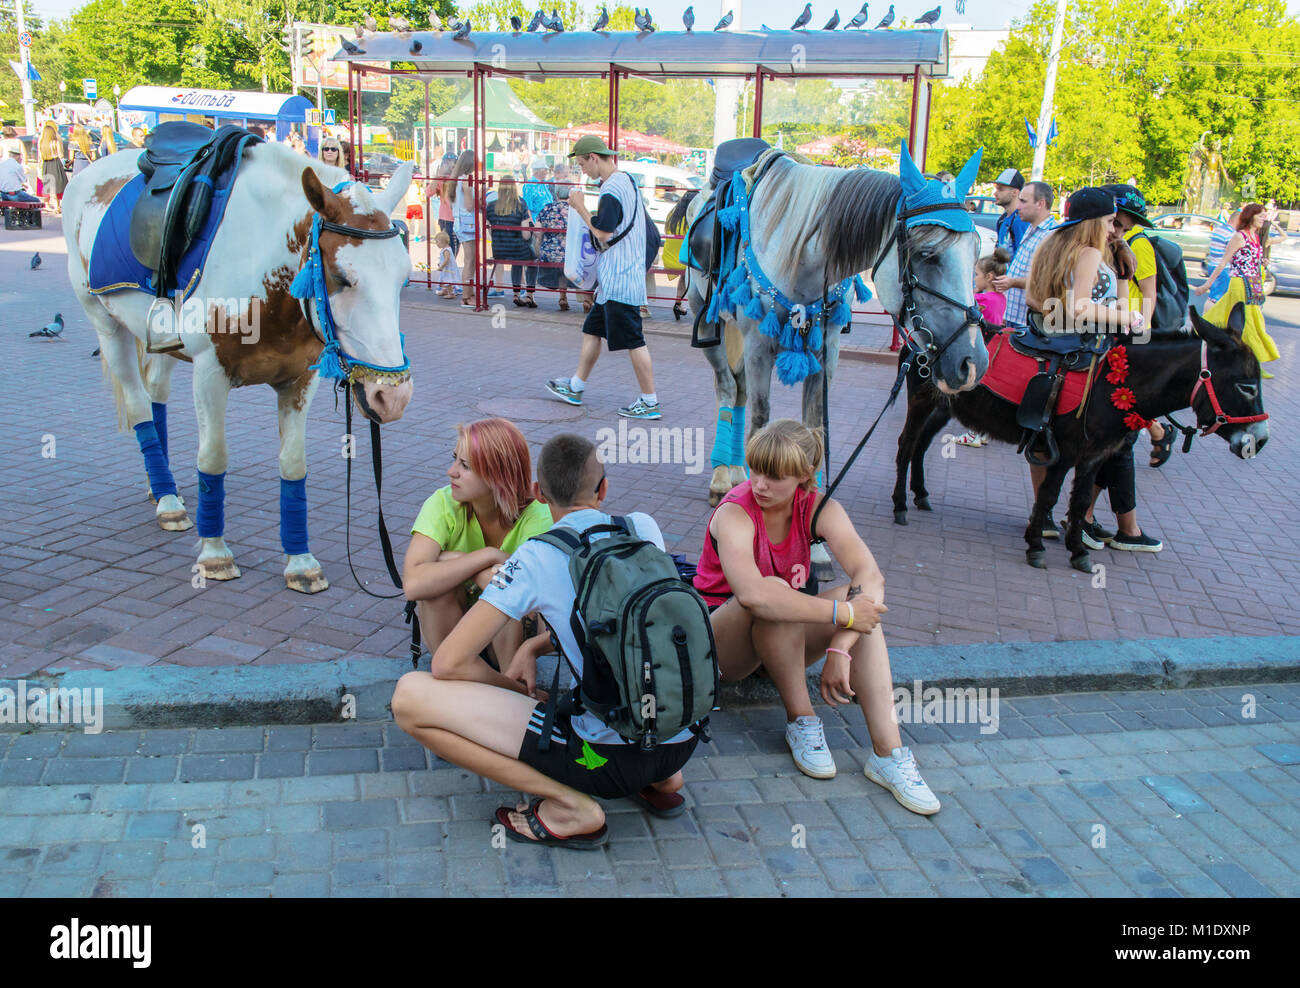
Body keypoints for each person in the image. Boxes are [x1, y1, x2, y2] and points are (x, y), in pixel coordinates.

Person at [390, 433, 702, 847]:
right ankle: (659, 777)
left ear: (538, 492)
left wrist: (521, 695)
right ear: (604, 488)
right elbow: (620, 630)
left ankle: (569, 805)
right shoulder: (642, 527)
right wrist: (534, 645)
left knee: (409, 697)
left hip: (600, 761)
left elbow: (448, 663)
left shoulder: (537, 555)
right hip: (681, 736)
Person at [693, 419, 939, 814]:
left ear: (805, 476)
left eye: (774, 477)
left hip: (783, 639)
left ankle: (888, 754)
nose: (759, 484)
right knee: (777, 594)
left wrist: (842, 646)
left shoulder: (819, 507)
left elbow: (870, 576)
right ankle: (802, 720)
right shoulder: (735, 512)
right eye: (755, 470)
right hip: (723, 647)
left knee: (859, 599)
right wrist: (844, 614)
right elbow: (754, 595)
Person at [1026, 187, 1162, 553]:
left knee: (1047, 436)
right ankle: (1081, 521)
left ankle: (1049, 517)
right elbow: (1084, 308)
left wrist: (1118, 274)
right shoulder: (1087, 252)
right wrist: (1128, 316)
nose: (1112, 228)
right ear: (1092, 222)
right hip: (1088, 352)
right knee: (1104, 439)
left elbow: (1035, 300)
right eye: (1107, 221)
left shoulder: (1055, 245)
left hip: (1057, 348)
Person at [403, 418, 552, 667]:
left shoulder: (539, 514)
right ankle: (458, 674)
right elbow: (414, 584)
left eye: (466, 466)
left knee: (506, 587)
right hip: (453, 635)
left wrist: (451, 562)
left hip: (511, 640)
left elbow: (533, 597)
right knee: (437, 589)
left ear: (498, 475)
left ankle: (510, 683)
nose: (451, 472)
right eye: (454, 459)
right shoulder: (443, 502)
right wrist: (488, 558)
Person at [545, 134, 659, 420]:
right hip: (617, 279)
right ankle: (576, 386)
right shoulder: (627, 180)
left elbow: (602, 233)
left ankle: (649, 401)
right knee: (592, 330)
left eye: (583, 164)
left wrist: (581, 207)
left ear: (594, 158)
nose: (583, 170)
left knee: (634, 340)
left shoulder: (610, 191)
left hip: (619, 279)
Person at [1101, 184, 1172, 467]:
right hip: (1106, 328)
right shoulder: (1102, 241)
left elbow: (1149, 293)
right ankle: (1157, 430)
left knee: (1125, 395)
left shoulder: (1138, 245)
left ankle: (1157, 430)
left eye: (1124, 228)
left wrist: (1139, 338)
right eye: (1116, 223)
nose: (1119, 232)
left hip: (1126, 332)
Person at [1196, 203, 1278, 378]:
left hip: (1253, 285)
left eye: (1264, 216)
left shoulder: (1255, 237)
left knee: (1228, 319)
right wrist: (1206, 285)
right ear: (1250, 217)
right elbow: (1223, 263)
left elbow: (1250, 262)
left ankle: (1203, 335)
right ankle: (1253, 363)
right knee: (1248, 324)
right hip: (1240, 285)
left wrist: (1261, 264)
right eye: (1260, 216)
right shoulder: (1239, 237)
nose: (1264, 219)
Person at [956, 247, 1012, 448]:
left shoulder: (981, 299)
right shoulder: (1000, 298)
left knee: (973, 390)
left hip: (980, 348)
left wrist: (974, 292)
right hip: (994, 349)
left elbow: (962, 303)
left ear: (989, 276)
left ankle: (974, 433)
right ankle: (983, 432)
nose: (974, 278)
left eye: (977, 275)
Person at [993, 180, 1057, 329]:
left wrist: (1012, 282)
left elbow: (1046, 281)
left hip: (1025, 320)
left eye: (1023, 201)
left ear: (1040, 203)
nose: (1019, 206)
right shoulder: (1032, 227)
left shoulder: (1051, 235)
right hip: (1013, 315)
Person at [486, 176, 537, 307]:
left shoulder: (491, 206)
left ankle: (516, 294)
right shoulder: (521, 205)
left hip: (499, 250)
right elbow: (526, 235)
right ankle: (529, 295)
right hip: (517, 249)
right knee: (531, 260)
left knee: (518, 258)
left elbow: (489, 230)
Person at [450, 149, 478, 307]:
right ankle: (467, 296)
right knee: (470, 260)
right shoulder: (466, 181)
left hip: (460, 222)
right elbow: (469, 206)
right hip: (467, 223)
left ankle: (469, 291)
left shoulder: (456, 179)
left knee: (470, 260)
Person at [534, 192, 572, 310]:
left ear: (556, 194)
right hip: (570, 252)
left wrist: (538, 248)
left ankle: (562, 297)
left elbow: (537, 232)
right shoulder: (575, 210)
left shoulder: (546, 208)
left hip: (549, 252)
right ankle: (587, 299)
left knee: (561, 264)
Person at [992, 167, 1029, 259]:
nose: (995, 193)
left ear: (1015, 192)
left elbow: (1022, 258)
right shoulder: (1002, 220)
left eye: (1000, 189)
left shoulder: (1021, 220)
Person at [38, 120, 66, 215]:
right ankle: (57, 206)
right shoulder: (55, 142)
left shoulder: (42, 143)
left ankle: (52, 205)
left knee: (49, 185)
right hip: (55, 163)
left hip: (46, 164)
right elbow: (61, 155)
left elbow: (40, 156)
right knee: (57, 184)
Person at [432, 231, 463, 297]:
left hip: (448, 269)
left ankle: (451, 293)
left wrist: (441, 266)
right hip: (446, 269)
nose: (436, 244)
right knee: (444, 279)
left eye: (437, 242)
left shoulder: (446, 250)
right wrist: (440, 263)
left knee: (448, 281)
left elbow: (447, 260)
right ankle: (445, 290)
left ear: (443, 242)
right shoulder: (445, 249)